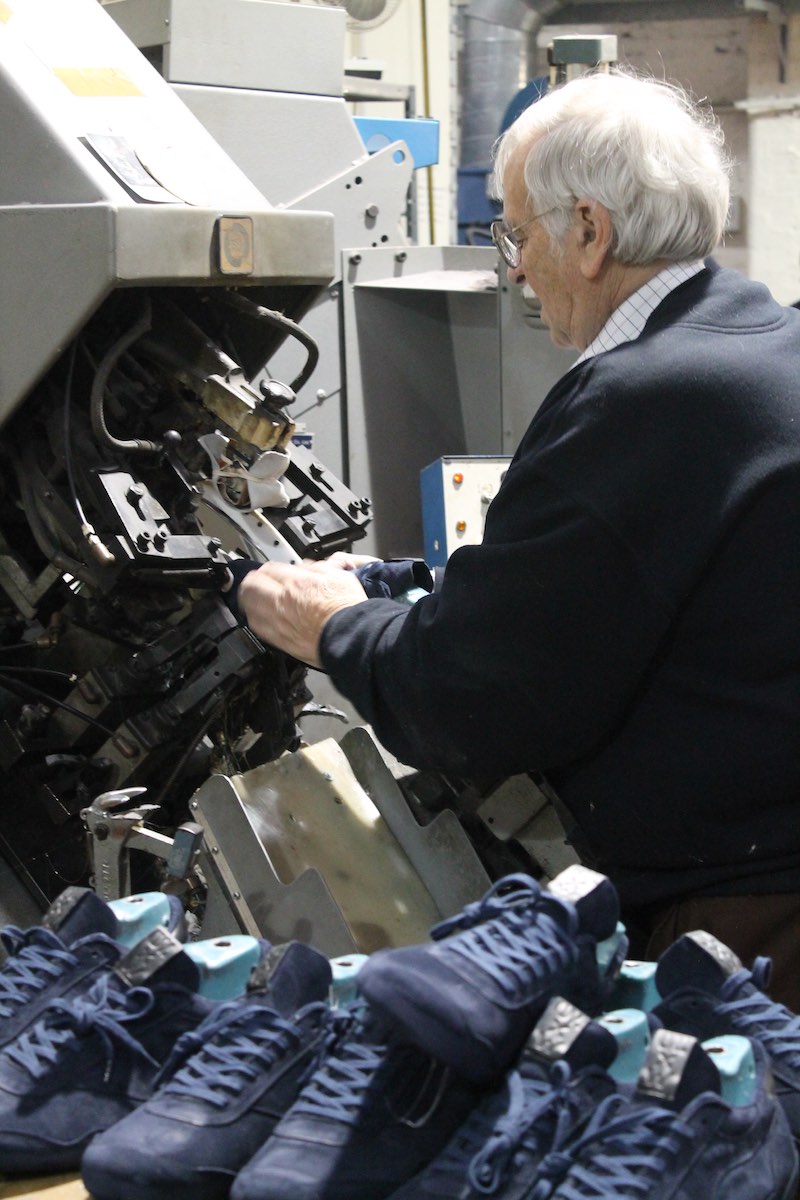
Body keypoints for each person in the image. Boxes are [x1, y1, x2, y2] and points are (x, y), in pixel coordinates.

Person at [238, 69, 800, 1009]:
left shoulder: (642, 400)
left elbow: (477, 699)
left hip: (738, 924)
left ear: (589, 232)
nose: (512, 267)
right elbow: (588, 587)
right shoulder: (758, 345)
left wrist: (333, 627)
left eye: (517, 233)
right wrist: (395, 584)